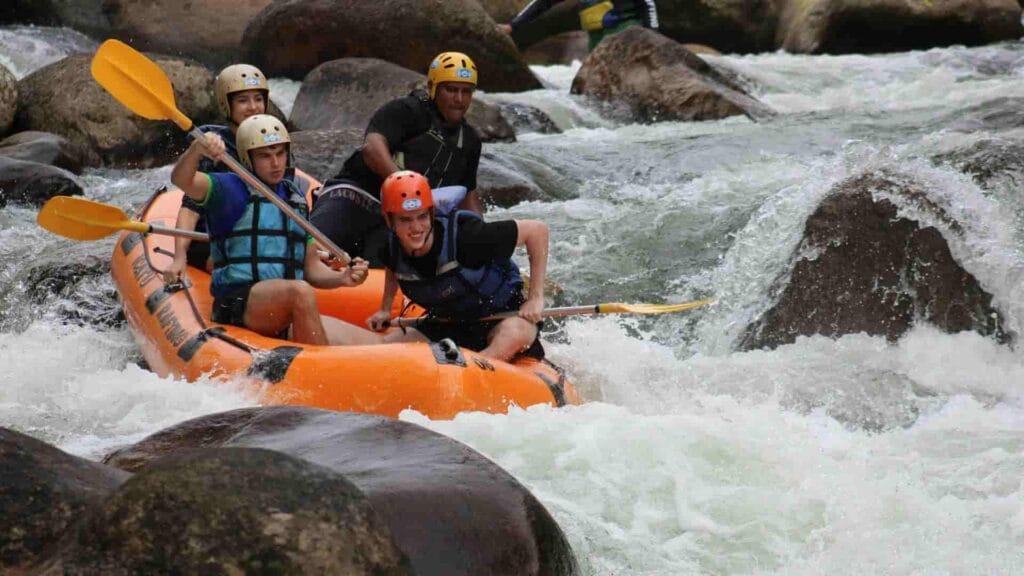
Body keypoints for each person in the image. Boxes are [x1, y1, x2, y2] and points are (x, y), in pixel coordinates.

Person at [170, 114, 378, 346]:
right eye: (265, 156)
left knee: (372, 343)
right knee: (300, 292)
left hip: (282, 308)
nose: (276, 163)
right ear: (247, 159)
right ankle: (318, 370)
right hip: (239, 302)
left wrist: (342, 278)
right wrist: (196, 150)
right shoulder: (228, 188)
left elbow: (311, 268)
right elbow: (182, 180)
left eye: (280, 153)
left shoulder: (295, 199)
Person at [308, 51, 485, 268]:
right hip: (357, 197)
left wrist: (482, 236)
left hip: (398, 220)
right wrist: (406, 186)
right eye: (451, 90)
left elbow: (468, 198)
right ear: (434, 88)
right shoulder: (406, 111)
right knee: (314, 251)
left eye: (466, 92)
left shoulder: (469, 141)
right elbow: (372, 149)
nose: (459, 99)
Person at [367, 171, 549, 362]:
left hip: (501, 317)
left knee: (514, 332)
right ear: (390, 221)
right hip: (447, 324)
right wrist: (385, 308)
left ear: (431, 213)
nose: (416, 228)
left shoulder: (467, 237)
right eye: (405, 219)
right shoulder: (389, 247)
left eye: (422, 217)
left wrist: (536, 297)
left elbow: (537, 231)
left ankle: (475, 367)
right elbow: (393, 266)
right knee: (388, 347)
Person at [162, 63, 271, 283]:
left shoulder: (274, 142)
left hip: (257, 237)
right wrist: (179, 256)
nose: (253, 107)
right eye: (243, 100)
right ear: (226, 104)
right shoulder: (212, 145)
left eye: (258, 99)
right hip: (211, 240)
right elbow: (190, 206)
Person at [497, 0, 659, 51]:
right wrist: (513, 26)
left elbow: (648, 3)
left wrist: (653, 37)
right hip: (597, 37)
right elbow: (542, 3)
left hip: (628, 30)